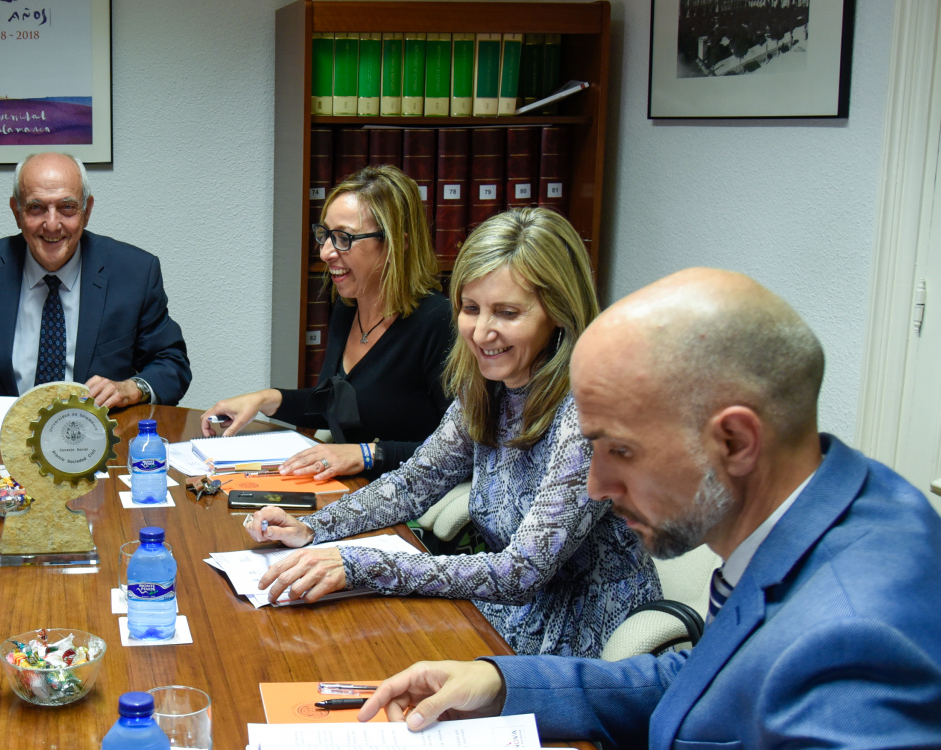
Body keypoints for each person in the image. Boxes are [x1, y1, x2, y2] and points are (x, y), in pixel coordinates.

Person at [358, 268, 941, 750]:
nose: (595, 485)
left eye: (619, 450)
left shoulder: (861, 643)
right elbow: (712, 679)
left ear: (736, 442)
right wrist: (504, 681)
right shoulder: (833, 501)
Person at [244, 208, 658, 658]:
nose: (481, 332)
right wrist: (312, 528)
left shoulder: (588, 414)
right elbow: (412, 484)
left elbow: (522, 573)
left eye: (507, 312)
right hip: (504, 613)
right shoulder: (487, 385)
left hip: (583, 642)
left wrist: (360, 564)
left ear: (558, 312)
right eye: (471, 308)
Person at [202, 166, 453, 479]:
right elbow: (338, 406)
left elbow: (461, 452)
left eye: (343, 238)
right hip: (347, 492)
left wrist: (366, 454)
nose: (325, 253)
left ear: (396, 244)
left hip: (406, 504)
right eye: (324, 235)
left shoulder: (439, 322)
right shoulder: (348, 306)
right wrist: (265, 399)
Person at [0, 151, 191, 413]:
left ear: (87, 210)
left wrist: (132, 389)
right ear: (16, 211)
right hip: (2, 443)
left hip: (99, 443)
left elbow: (172, 364)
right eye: (36, 208)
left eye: (67, 207)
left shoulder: (134, 272)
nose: (52, 224)